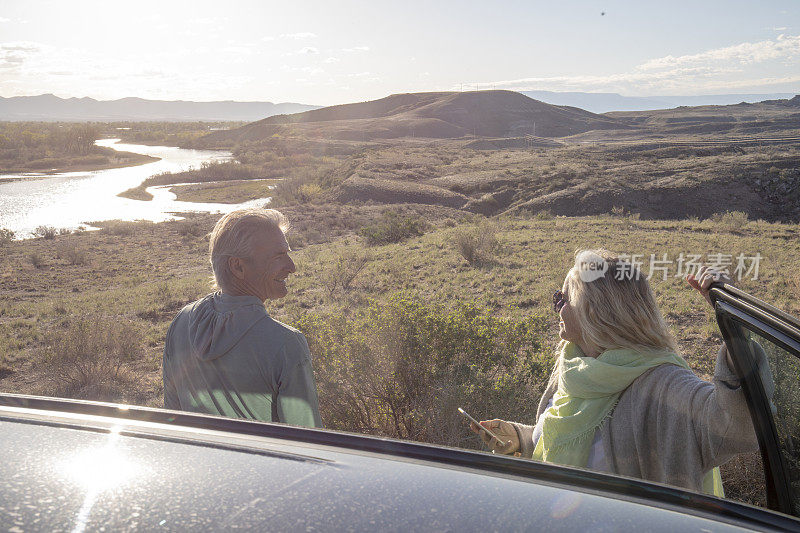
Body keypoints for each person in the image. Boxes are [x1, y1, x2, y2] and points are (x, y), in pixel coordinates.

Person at [469, 249, 759, 496]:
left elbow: (738, 428)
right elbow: (569, 442)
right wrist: (522, 438)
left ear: (592, 311)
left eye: (562, 299)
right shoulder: (575, 367)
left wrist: (733, 322)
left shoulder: (662, 385)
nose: (557, 309)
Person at [163, 208, 322, 428]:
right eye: (278, 256)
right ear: (238, 266)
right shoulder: (286, 344)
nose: (292, 267)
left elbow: (173, 420)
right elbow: (308, 440)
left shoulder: (181, 322)